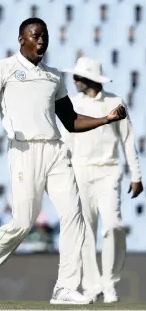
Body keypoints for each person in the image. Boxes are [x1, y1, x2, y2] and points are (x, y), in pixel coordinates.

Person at [0, 18, 126, 305]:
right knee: (22, 222)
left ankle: (64, 287)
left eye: (45, 36)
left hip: (55, 150)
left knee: (73, 215)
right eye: (35, 36)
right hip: (24, 151)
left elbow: (71, 120)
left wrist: (106, 118)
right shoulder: (2, 68)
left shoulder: (54, 76)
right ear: (21, 39)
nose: (41, 41)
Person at [61, 57, 143, 303]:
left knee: (113, 226)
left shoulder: (115, 102)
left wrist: (136, 175)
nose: (73, 80)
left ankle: (109, 284)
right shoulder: (72, 104)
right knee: (85, 231)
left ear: (90, 79)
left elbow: (128, 140)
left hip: (109, 171)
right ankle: (91, 286)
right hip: (80, 171)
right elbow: (65, 144)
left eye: (77, 77)